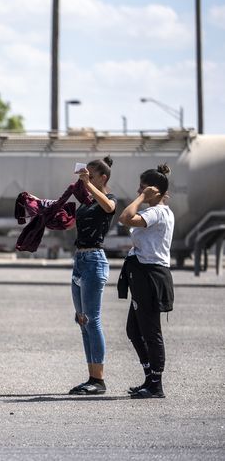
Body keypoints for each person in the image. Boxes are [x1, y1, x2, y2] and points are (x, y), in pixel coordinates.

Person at [118, 164, 174, 399]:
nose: (138, 190)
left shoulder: (156, 212)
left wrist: (141, 197)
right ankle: (149, 377)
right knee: (134, 329)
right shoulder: (160, 211)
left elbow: (125, 218)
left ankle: (156, 384)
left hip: (151, 276)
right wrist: (145, 195)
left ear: (154, 190)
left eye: (142, 186)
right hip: (143, 273)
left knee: (151, 332)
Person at [67, 157, 116, 395]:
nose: (87, 180)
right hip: (80, 261)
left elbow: (108, 207)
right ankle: (91, 377)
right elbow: (68, 223)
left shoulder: (108, 199)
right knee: (82, 320)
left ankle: (99, 380)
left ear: (102, 178)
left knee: (93, 320)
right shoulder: (87, 203)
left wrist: (89, 184)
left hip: (95, 261)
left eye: (92, 176)